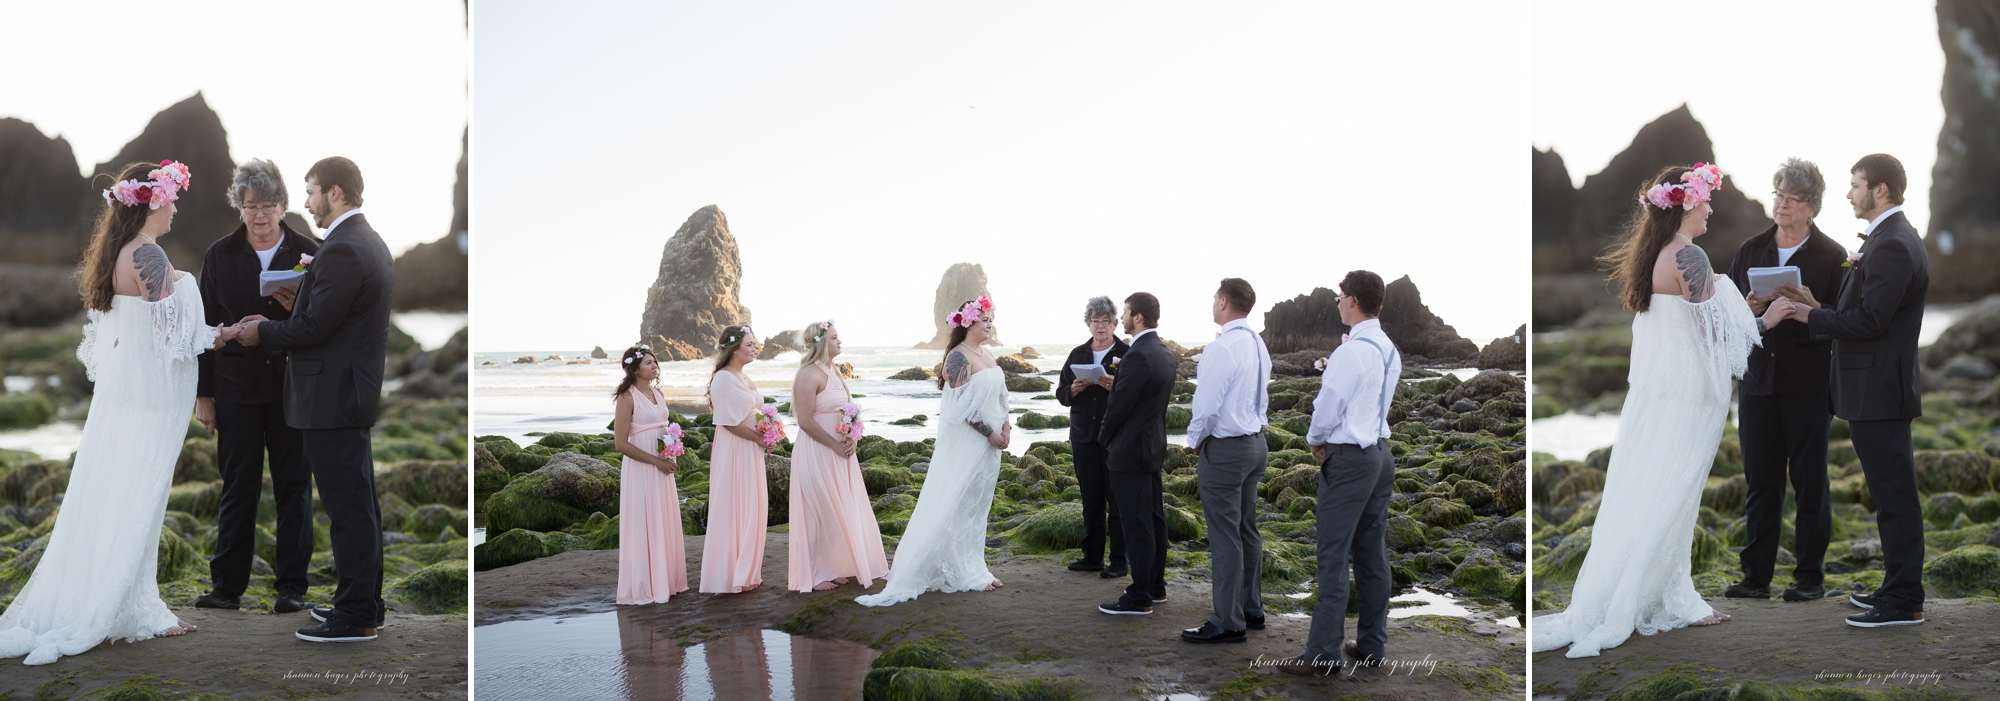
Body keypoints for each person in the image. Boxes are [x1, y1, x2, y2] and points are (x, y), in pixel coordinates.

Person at [1532, 164, 1793, 658]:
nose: (1712, 208)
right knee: (1674, 492)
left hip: (1657, 398)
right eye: (1706, 200)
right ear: (1687, 204)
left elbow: (1697, 318)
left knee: (1649, 487)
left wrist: (1741, 306)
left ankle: (1659, 592)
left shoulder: (1655, 255)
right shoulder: (1688, 255)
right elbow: (1714, 336)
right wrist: (1768, 320)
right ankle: (1671, 597)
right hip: (1687, 400)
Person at [0, 161, 235, 665]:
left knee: (116, 494)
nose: (175, 208)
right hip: (147, 402)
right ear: (151, 201)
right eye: (171, 199)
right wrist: (228, 333)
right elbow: (175, 338)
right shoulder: (146, 254)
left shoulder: (120, 253)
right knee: (138, 496)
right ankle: (130, 607)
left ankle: (135, 602)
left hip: (124, 399)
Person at [234, 156, 396, 643]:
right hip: (345, 392)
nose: (306, 203)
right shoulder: (362, 242)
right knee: (359, 504)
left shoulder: (346, 247)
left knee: (348, 509)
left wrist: (261, 330)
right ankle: (365, 603)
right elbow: (330, 315)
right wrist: (298, 299)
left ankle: (356, 617)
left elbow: (316, 328)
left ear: (336, 193)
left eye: (311, 192)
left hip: (333, 396)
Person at [1778, 153, 1929, 628]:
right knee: (1890, 495)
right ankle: (1896, 586)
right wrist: (1816, 303)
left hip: (1880, 390)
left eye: (1856, 184)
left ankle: (1904, 601)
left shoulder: (1892, 245)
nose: (1848, 194)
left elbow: (1871, 321)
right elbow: (1864, 310)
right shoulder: (1888, 238)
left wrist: (1809, 317)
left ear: (1880, 190)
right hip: (1876, 388)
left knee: (1895, 498)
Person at [193, 159, 320, 615]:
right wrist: (203, 395)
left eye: (268, 205)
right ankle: (226, 587)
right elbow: (203, 329)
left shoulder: (312, 251)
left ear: (283, 206)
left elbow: (322, 323)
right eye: (251, 206)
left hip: (293, 389)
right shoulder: (218, 256)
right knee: (237, 487)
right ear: (239, 207)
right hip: (234, 388)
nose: (260, 215)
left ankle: (291, 589)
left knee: (294, 488)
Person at [1723, 158, 1846, 602]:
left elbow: (1842, 323)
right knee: (1761, 480)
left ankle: (1809, 578)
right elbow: (1731, 319)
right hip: (1757, 382)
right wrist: (1751, 310)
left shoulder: (1833, 257)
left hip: (1809, 384)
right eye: (1778, 195)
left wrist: (1814, 306)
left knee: (1811, 481)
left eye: (1792, 200)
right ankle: (1756, 577)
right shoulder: (1750, 251)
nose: (1781, 206)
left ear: (1812, 207)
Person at [1277, 271, 1400, 675]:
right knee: (1370, 552)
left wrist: (1315, 440)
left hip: (1349, 458)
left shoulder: (1353, 351)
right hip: (1380, 454)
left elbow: (1327, 405)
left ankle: (1323, 654)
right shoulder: (1387, 348)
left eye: (1339, 296)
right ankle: (1371, 645)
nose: (1337, 302)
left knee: (1332, 556)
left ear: (1352, 301)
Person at [855, 298, 1012, 606]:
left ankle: (975, 567)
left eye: (991, 319)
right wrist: (991, 433)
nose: (990, 324)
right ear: (968, 323)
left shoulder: (988, 354)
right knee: (956, 502)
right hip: (968, 443)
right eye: (985, 320)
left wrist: (1006, 427)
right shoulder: (957, 358)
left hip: (992, 446)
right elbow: (961, 410)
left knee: (978, 506)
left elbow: (1001, 397)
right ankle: (961, 573)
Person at [1182, 278, 1271, 644]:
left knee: (1225, 535)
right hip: (1255, 443)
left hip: (1228, 449)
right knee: (1247, 529)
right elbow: (1261, 397)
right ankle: (1252, 609)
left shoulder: (1222, 348)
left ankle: (1228, 620)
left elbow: (1206, 406)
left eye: (1214, 298)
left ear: (1223, 302)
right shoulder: (1256, 342)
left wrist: (1194, 441)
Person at [785, 320, 890, 592]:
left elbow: (846, 412)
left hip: (840, 452)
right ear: (821, 343)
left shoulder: (834, 371)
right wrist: (833, 444)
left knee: (839, 509)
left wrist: (852, 438)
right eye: (834, 337)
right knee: (817, 509)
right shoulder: (808, 375)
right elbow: (805, 421)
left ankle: (833, 566)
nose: (839, 341)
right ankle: (815, 574)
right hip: (818, 451)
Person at [1095, 292, 1174, 617]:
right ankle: (1156, 587)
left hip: (1131, 449)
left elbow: (1120, 405)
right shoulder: (1163, 352)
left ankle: (1139, 595)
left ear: (1138, 317)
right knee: (1153, 518)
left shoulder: (1138, 354)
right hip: (1153, 445)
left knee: (1136, 523)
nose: (1122, 318)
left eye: (1125, 312)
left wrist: (1104, 437)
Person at [1053, 296, 1128, 579]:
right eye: (1095, 321)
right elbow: (1061, 395)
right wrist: (1074, 389)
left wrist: (1115, 387)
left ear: (1114, 323)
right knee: (1091, 499)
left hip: (1115, 437)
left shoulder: (1127, 352)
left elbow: (1137, 395)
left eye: (1105, 321)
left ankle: (1119, 560)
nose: (1100, 326)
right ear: (1088, 324)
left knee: (1117, 499)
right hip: (1083, 436)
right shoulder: (1077, 355)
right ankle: (1093, 556)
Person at [612, 344, 688, 604]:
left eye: (655, 362)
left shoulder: (657, 392)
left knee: (662, 517)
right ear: (634, 369)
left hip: (662, 463)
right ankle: (646, 584)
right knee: (645, 519)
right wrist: (655, 462)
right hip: (642, 467)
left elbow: (663, 427)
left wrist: (673, 447)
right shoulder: (627, 397)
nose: (655, 366)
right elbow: (621, 444)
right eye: (648, 363)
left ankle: (667, 580)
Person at [701, 325, 770, 594]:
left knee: (751, 504)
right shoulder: (724, 378)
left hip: (750, 449)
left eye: (754, 344)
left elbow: (754, 412)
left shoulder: (744, 377)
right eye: (749, 345)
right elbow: (728, 422)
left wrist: (768, 431)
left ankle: (747, 570)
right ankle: (728, 574)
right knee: (733, 504)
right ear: (733, 349)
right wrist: (758, 438)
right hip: (735, 449)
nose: (754, 349)